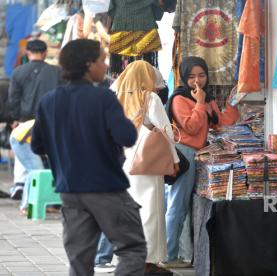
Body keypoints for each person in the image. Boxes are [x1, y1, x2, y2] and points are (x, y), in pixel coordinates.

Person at [30, 39, 147, 276]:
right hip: (106, 188)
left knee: (80, 260)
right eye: (101, 60)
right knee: (132, 249)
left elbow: (37, 146)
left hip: (70, 190)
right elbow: (126, 136)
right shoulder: (103, 98)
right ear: (88, 65)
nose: (105, 66)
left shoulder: (49, 101)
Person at [163, 56, 239, 267]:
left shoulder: (207, 98)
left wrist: (234, 103)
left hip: (198, 155)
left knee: (185, 206)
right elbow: (191, 127)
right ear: (183, 77)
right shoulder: (179, 98)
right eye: (191, 77)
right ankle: (168, 255)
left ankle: (182, 254)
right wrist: (199, 102)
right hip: (184, 154)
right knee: (177, 205)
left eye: (201, 75)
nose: (197, 81)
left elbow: (220, 124)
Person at [115, 60, 178, 275]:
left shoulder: (115, 97)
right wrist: (175, 160)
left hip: (123, 162)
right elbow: (166, 131)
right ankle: (148, 262)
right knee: (151, 212)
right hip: (147, 163)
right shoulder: (149, 98)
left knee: (129, 213)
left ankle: (130, 259)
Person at [7, 39, 61, 199]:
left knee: (24, 153)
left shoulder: (18, 72)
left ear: (27, 53)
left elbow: (13, 98)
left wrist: (14, 118)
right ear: (45, 53)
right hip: (50, 120)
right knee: (51, 153)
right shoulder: (56, 71)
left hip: (25, 120)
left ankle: (20, 184)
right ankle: (51, 186)